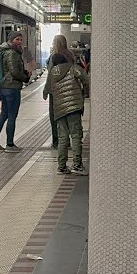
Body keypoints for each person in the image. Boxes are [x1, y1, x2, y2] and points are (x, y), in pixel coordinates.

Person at [44, 39, 89, 175]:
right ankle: (77, 165)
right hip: (74, 106)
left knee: (63, 137)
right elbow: (85, 79)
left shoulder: (52, 74)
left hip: (59, 109)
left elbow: (50, 89)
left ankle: (62, 166)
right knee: (76, 135)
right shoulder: (72, 68)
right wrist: (85, 93)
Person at [0, 31, 31, 151]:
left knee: (4, 114)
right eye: (17, 39)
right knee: (12, 115)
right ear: (11, 40)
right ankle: (10, 144)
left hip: (3, 87)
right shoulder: (12, 53)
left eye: (21, 39)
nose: (20, 41)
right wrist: (25, 77)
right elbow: (14, 72)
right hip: (11, 88)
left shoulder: (3, 51)